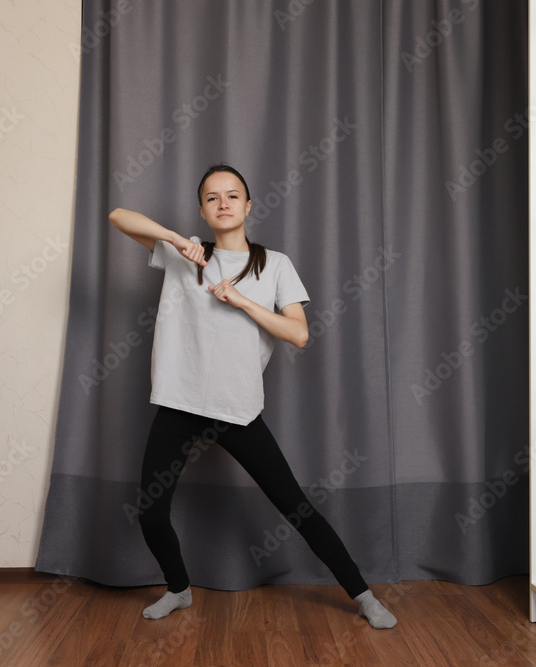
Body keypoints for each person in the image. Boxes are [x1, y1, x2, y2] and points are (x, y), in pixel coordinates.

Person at [108, 164, 396, 629]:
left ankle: (364, 596)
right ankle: (179, 589)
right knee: (151, 512)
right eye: (212, 198)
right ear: (202, 211)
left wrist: (243, 301)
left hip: (237, 408)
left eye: (232, 195)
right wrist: (176, 240)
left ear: (248, 206)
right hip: (180, 403)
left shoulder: (275, 264)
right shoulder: (185, 253)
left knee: (296, 508)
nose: (223, 203)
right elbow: (118, 216)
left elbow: (298, 334)